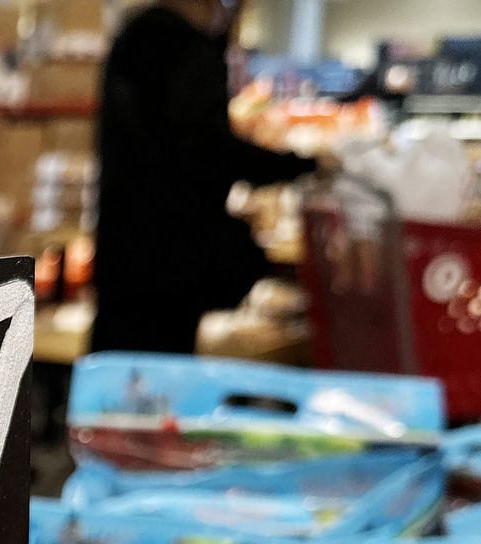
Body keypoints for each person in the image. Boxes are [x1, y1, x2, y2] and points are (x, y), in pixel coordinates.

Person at [93, 0, 318, 354]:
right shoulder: (186, 48)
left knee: (118, 371)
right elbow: (209, 150)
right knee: (158, 372)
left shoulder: (135, 37)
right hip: (168, 263)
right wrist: (300, 166)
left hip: (125, 254)